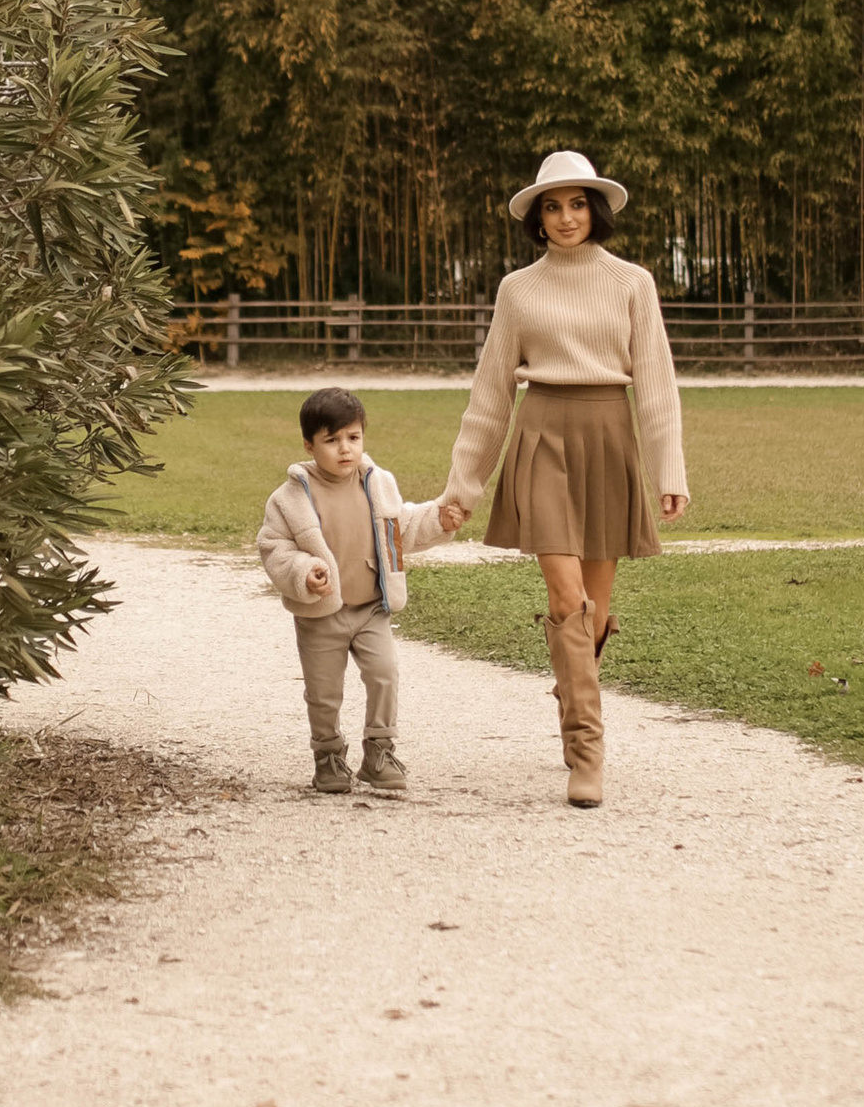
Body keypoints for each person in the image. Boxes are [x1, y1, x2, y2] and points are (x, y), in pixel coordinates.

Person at [439, 150, 687, 807]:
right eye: (553, 206)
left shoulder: (632, 282)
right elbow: (491, 397)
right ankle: (586, 752)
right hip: (542, 433)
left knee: (595, 609)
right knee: (565, 595)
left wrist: (671, 471)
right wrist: (462, 487)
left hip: (610, 436)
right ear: (538, 218)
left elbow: (657, 387)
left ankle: (574, 674)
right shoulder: (517, 290)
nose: (566, 217)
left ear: (595, 210)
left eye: (577, 203)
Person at [255, 384, 458, 797]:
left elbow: (400, 526)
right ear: (309, 445)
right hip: (321, 615)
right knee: (324, 690)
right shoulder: (291, 497)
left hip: (371, 608)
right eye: (331, 440)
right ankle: (328, 756)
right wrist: (304, 571)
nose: (345, 449)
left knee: (384, 674)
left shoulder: (376, 483)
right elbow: (274, 546)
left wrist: (439, 521)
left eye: (353, 437)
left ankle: (379, 751)